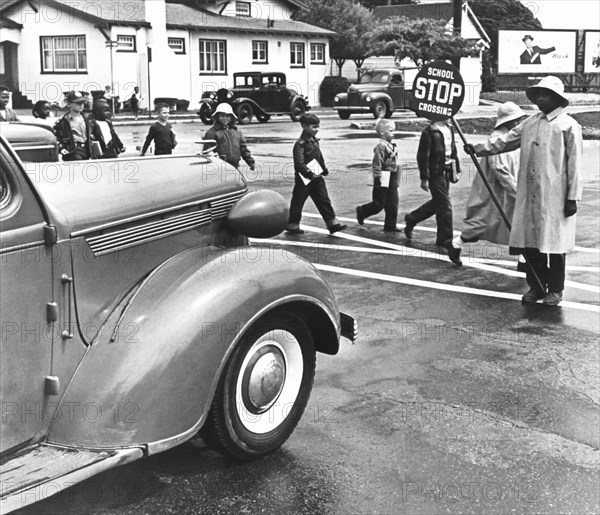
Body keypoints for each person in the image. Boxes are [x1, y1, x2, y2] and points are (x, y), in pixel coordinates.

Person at [468, 76, 582, 306]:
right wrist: (478, 148)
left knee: (555, 246)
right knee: (529, 243)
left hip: (555, 196)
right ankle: (537, 286)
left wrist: (572, 197)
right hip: (529, 193)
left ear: (557, 98)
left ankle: (556, 289)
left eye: (544, 94)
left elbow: (575, 165)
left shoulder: (568, 125)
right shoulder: (530, 123)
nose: (539, 98)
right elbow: (504, 141)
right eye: (537, 94)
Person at [447, 102, 527, 265]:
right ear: (509, 121)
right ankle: (456, 243)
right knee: (483, 221)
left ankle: (523, 258)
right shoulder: (498, 137)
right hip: (494, 189)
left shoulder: (510, 137)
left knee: (515, 222)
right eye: (516, 119)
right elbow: (499, 169)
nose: (519, 122)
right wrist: (516, 190)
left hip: (506, 189)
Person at [404, 118, 461, 252]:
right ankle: (446, 240)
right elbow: (422, 156)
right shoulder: (429, 132)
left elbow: (453, 149)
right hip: (435, 173)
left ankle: (412, 218)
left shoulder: (449, 128)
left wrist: (456, 169)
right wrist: (424, 178)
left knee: (439, 203)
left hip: (447, 171)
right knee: (445, 205)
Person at [285, 113, 346, 235]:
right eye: (314, 127)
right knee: (298, 201)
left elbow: (319, 156)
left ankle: (332, 223)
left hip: (316, 174)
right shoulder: (300, 144)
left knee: (324, 200)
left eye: (318, 126)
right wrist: (309, 174)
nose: (316, 129)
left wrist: (323, 169)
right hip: (304, 178)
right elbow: (299, 164)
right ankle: (292, 225)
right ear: (304, 126)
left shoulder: (314, 141)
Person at [356, 118, 401, 232]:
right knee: (379, 204)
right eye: (391, 131)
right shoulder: (381, 147)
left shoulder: (392, 145)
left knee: (393, 203)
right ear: (382, 132)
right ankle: (362, 211)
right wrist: (377, 177)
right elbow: (377, 163)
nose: (393, 133)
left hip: (392, 177)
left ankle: (390, 225)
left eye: (394, 131)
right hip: (383, 177)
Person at [203, 103, 255, 170]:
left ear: (231, 117)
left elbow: (243, 148)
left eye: (228, 116)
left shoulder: (237, 131)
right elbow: (206, 151)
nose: (225, 118)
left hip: (235, 164)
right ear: (217, 116)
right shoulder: (211, 132)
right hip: (219, 166)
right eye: (222, 116)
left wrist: (250, 161)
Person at [54, 90, 93, 161]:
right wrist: (61, 148)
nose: (81, 105)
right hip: (73, 151)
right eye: (78, 103)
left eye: (82, 102)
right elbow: (56, 137)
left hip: (87, 150)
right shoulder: (63, 121)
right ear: (69, 104)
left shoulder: (87, 119)